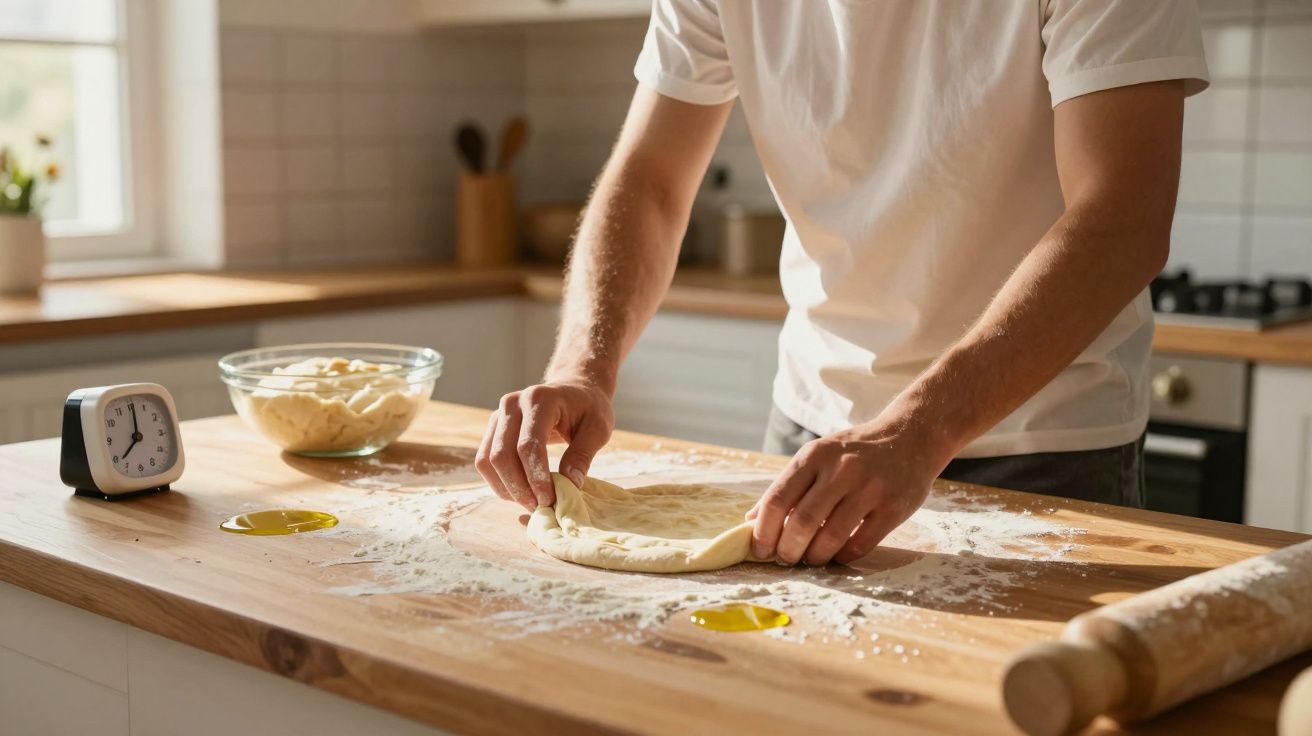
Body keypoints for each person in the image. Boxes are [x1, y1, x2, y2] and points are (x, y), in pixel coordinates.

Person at [475, 1, 1209, 566]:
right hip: (810, 429)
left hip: (1044, 442)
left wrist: (917, 427)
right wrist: (584, 366)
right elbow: (651, 181)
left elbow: (1123, 216)